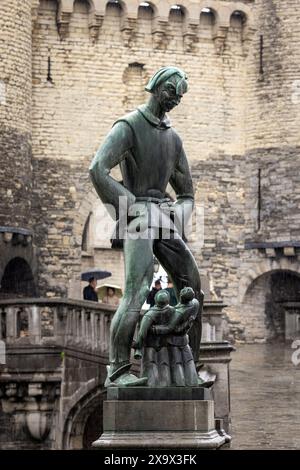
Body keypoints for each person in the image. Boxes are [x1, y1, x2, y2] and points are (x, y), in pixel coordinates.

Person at [90, 66, 203, 387]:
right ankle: (118, 370)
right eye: (171, 93)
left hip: (163, 219)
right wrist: (129, 208)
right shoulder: (129, 126)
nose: (175, 100)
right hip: (139, 215)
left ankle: (190, 369)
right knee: (137, 290)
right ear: (155, 86)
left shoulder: (174, 139)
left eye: (180, 97)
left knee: (192, 284)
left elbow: (187, 194)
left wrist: (175, 217)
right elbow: (97, 169)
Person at [133, 287, 201, 387]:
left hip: (168, 343)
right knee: (181, 363)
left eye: (183, 292)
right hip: (176, 341)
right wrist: (188, 323)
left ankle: (164, 385)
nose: (182, 290)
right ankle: (188, 383)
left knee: (163, 364)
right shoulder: (195, 303)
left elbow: (169, 328)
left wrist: (153, 330)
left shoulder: (176, 312)